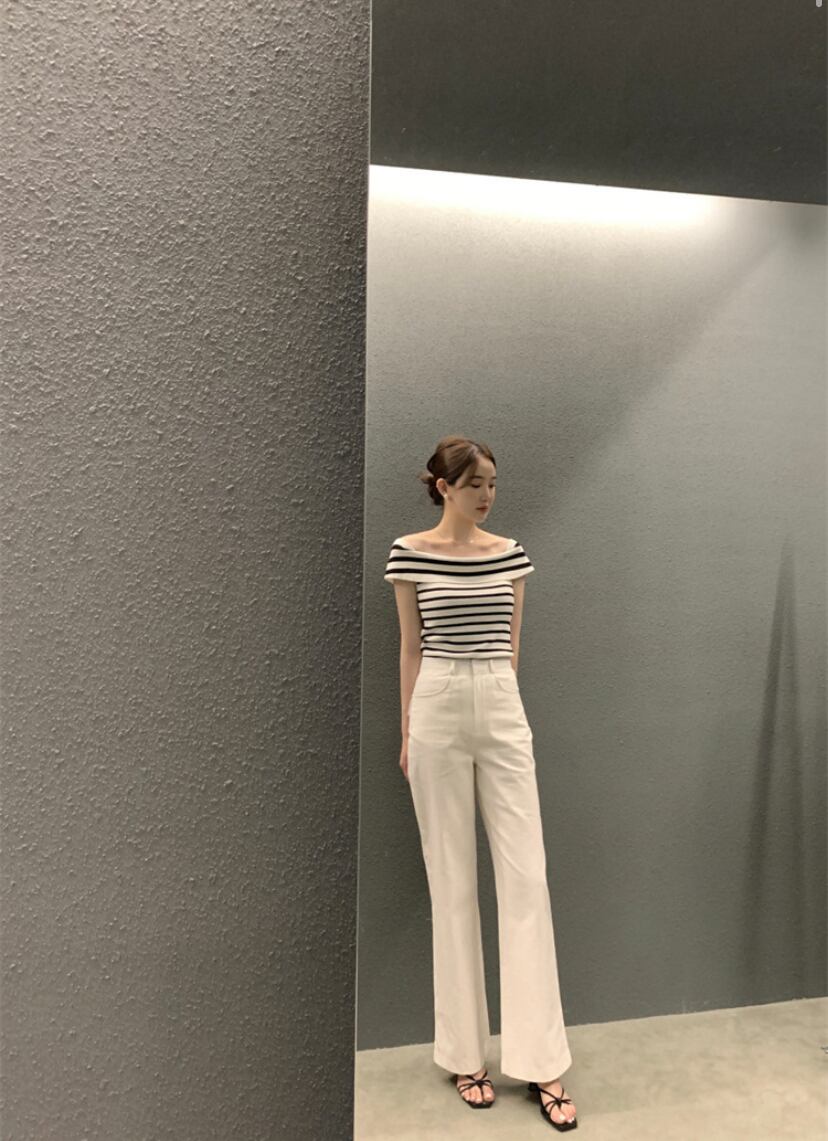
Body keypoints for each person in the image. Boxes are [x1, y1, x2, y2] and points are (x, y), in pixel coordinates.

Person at [384, 435, 578, 1132]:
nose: (487, 495)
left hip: (499, 697)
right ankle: (465, 1055)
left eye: (492, 482)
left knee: (526, 878)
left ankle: (541, 1059)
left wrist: (502, 708)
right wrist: (408, 731)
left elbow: (512, 643)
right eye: (473, 484)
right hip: (435, 703)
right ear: (443, 487)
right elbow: (410, 647)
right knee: (452, 883)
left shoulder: (511, 554)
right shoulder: (408, 554)